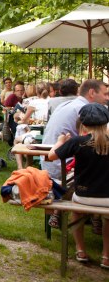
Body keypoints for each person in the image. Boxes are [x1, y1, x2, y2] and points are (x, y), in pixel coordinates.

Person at [48, 103, 109, 269]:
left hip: (83, 196)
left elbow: (51, 155)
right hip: (108, 199)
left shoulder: (78, 141)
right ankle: (106, 256)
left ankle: (81, 250)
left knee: (76, 213)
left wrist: (60, 141)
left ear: (83, 122)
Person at [42, 79, 109, 181]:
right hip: (64, 168)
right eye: (105, 94)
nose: (107, 98)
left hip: (50, 165)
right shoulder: (86, 110)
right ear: (92, 93)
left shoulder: (68, 105)